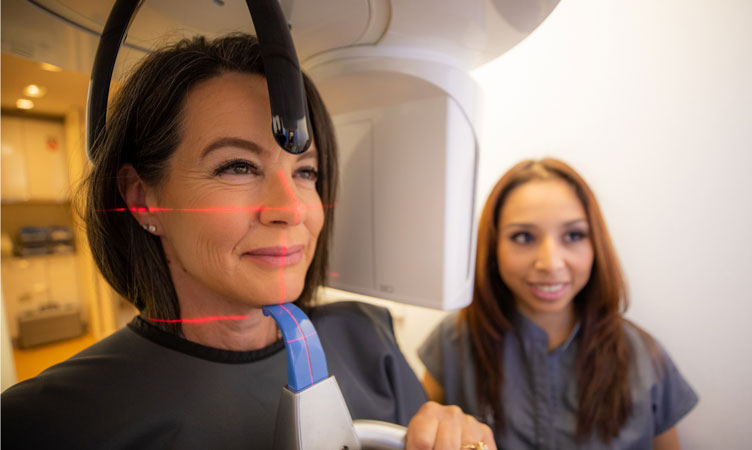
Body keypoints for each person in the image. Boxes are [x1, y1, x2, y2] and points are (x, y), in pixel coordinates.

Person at [1, 34, 495, 450]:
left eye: (306, 172)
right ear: (143, 197)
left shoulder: (366, 339)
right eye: (237, 166)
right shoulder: (44, 423)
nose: (291, 209)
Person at [419, 159, 698, 449]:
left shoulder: (645, 357)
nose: (550, 263)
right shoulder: (454, 342)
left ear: (595, 245)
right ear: (493, 247)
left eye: (573, 235)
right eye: (524, 237)